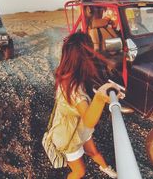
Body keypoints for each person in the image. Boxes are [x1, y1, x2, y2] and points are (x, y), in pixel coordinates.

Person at [50, 32, 120, 179]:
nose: (94, 55)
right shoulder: (73, 88)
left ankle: (107, 170)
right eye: (91, 51)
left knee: (94, 152)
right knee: (80, 172)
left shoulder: (68, 75)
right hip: (69, 136)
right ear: (82, 57)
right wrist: (100, 97)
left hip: (78, 129)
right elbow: (89, 121)